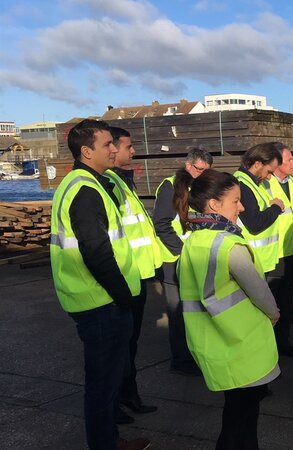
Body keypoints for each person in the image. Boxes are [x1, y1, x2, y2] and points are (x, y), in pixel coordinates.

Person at [50, 119, 150, 450]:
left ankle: (110, 439)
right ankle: (105, 444)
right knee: (102, 386)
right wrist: (122, 296)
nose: (113, 148)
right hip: (100, 302)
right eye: (107, 144)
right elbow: (96, 251)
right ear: (86, 151)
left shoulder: (86, 182)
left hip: (96, 299)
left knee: (104, 383)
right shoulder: (85, 190)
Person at [174, 169, 281, 450]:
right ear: (214, 204)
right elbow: (260, 292)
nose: (241, 207)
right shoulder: (228, 244)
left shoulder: (192, 242)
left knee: (236, 412)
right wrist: (273, 313)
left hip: (213, 341)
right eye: (235, 200)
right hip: (243, 342)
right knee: (242, 417)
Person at [106, 127, 160, 424]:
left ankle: (128, 394)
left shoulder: (120, 180)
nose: (133, 151)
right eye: (129, 146)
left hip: (137, 274)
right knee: (120, 347)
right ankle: (116, 402)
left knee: (130, 344)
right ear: (112, 148)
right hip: (126, 278)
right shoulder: (109, 184)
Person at [153, 147, 213, 376]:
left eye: (207, 170)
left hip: (194, 258)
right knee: (178, 313)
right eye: (199, 169)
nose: (203, 174)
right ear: (188, 165)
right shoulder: (170, 187)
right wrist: (183, 252)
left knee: (194, 311)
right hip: (175, 261)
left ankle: (194, 355)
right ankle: (181, 361)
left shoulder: (197, 187)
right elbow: (162, 225)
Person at [264, 143, 293, 357]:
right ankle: (271, 348)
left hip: (292, 248)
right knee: (273, 304)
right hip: (274, 253)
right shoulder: (266, 184)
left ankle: (284, 344)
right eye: (289, 159)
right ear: (277, 163)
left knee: (286, 299)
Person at [233, 143, 284, 275]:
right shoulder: (242, 185)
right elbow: (255, 223)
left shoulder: (253, 182)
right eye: (269, 172)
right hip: (252, 261)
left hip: (260, 259)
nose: (269, 177)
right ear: (257, 164)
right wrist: (276, 208)